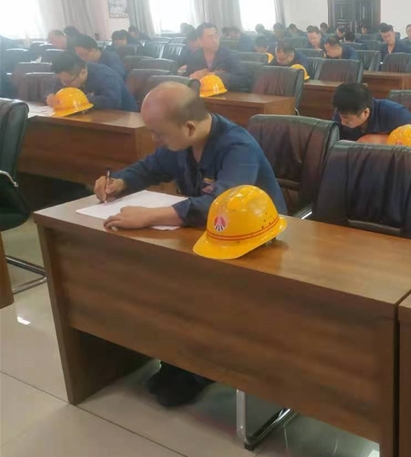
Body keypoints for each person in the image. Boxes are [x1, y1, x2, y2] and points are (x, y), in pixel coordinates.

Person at [94, 82, 286, 407]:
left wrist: (149, 216)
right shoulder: (183, 142)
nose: (155, 139)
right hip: (209, 236)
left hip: (254, 243)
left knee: (201, 292)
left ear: (189, 127)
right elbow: (151, 166)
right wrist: (120, 182)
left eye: (159, 133)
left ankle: (202, 370)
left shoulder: (236, 146)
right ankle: (178, 359)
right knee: (169, 284)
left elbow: (221, 204)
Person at [332, 82, 411, 143]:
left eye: (347, 120)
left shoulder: (394, 113)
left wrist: (382, 139)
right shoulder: (343, 111)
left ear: (365, 112)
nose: (342, 122)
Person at [49, 51, 137, 112]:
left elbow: (112, 102)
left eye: (68, 82)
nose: (64, 84)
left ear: (82, 72)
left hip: (123, 118)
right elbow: (54, 91)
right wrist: (51, 97)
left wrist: (81, 99)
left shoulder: (105, 75)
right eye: (61, 80)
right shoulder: (67, 76)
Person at [185, 23, 250, 92]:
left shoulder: (229, 55)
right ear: (200, 40)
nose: (215, 40)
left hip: (226, 95)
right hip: (203, 94)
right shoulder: (194, 56)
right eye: (210, 37)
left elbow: (244, 80)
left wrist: (218, 76)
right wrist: (192, 78)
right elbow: (186, 78)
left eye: (216, 36)